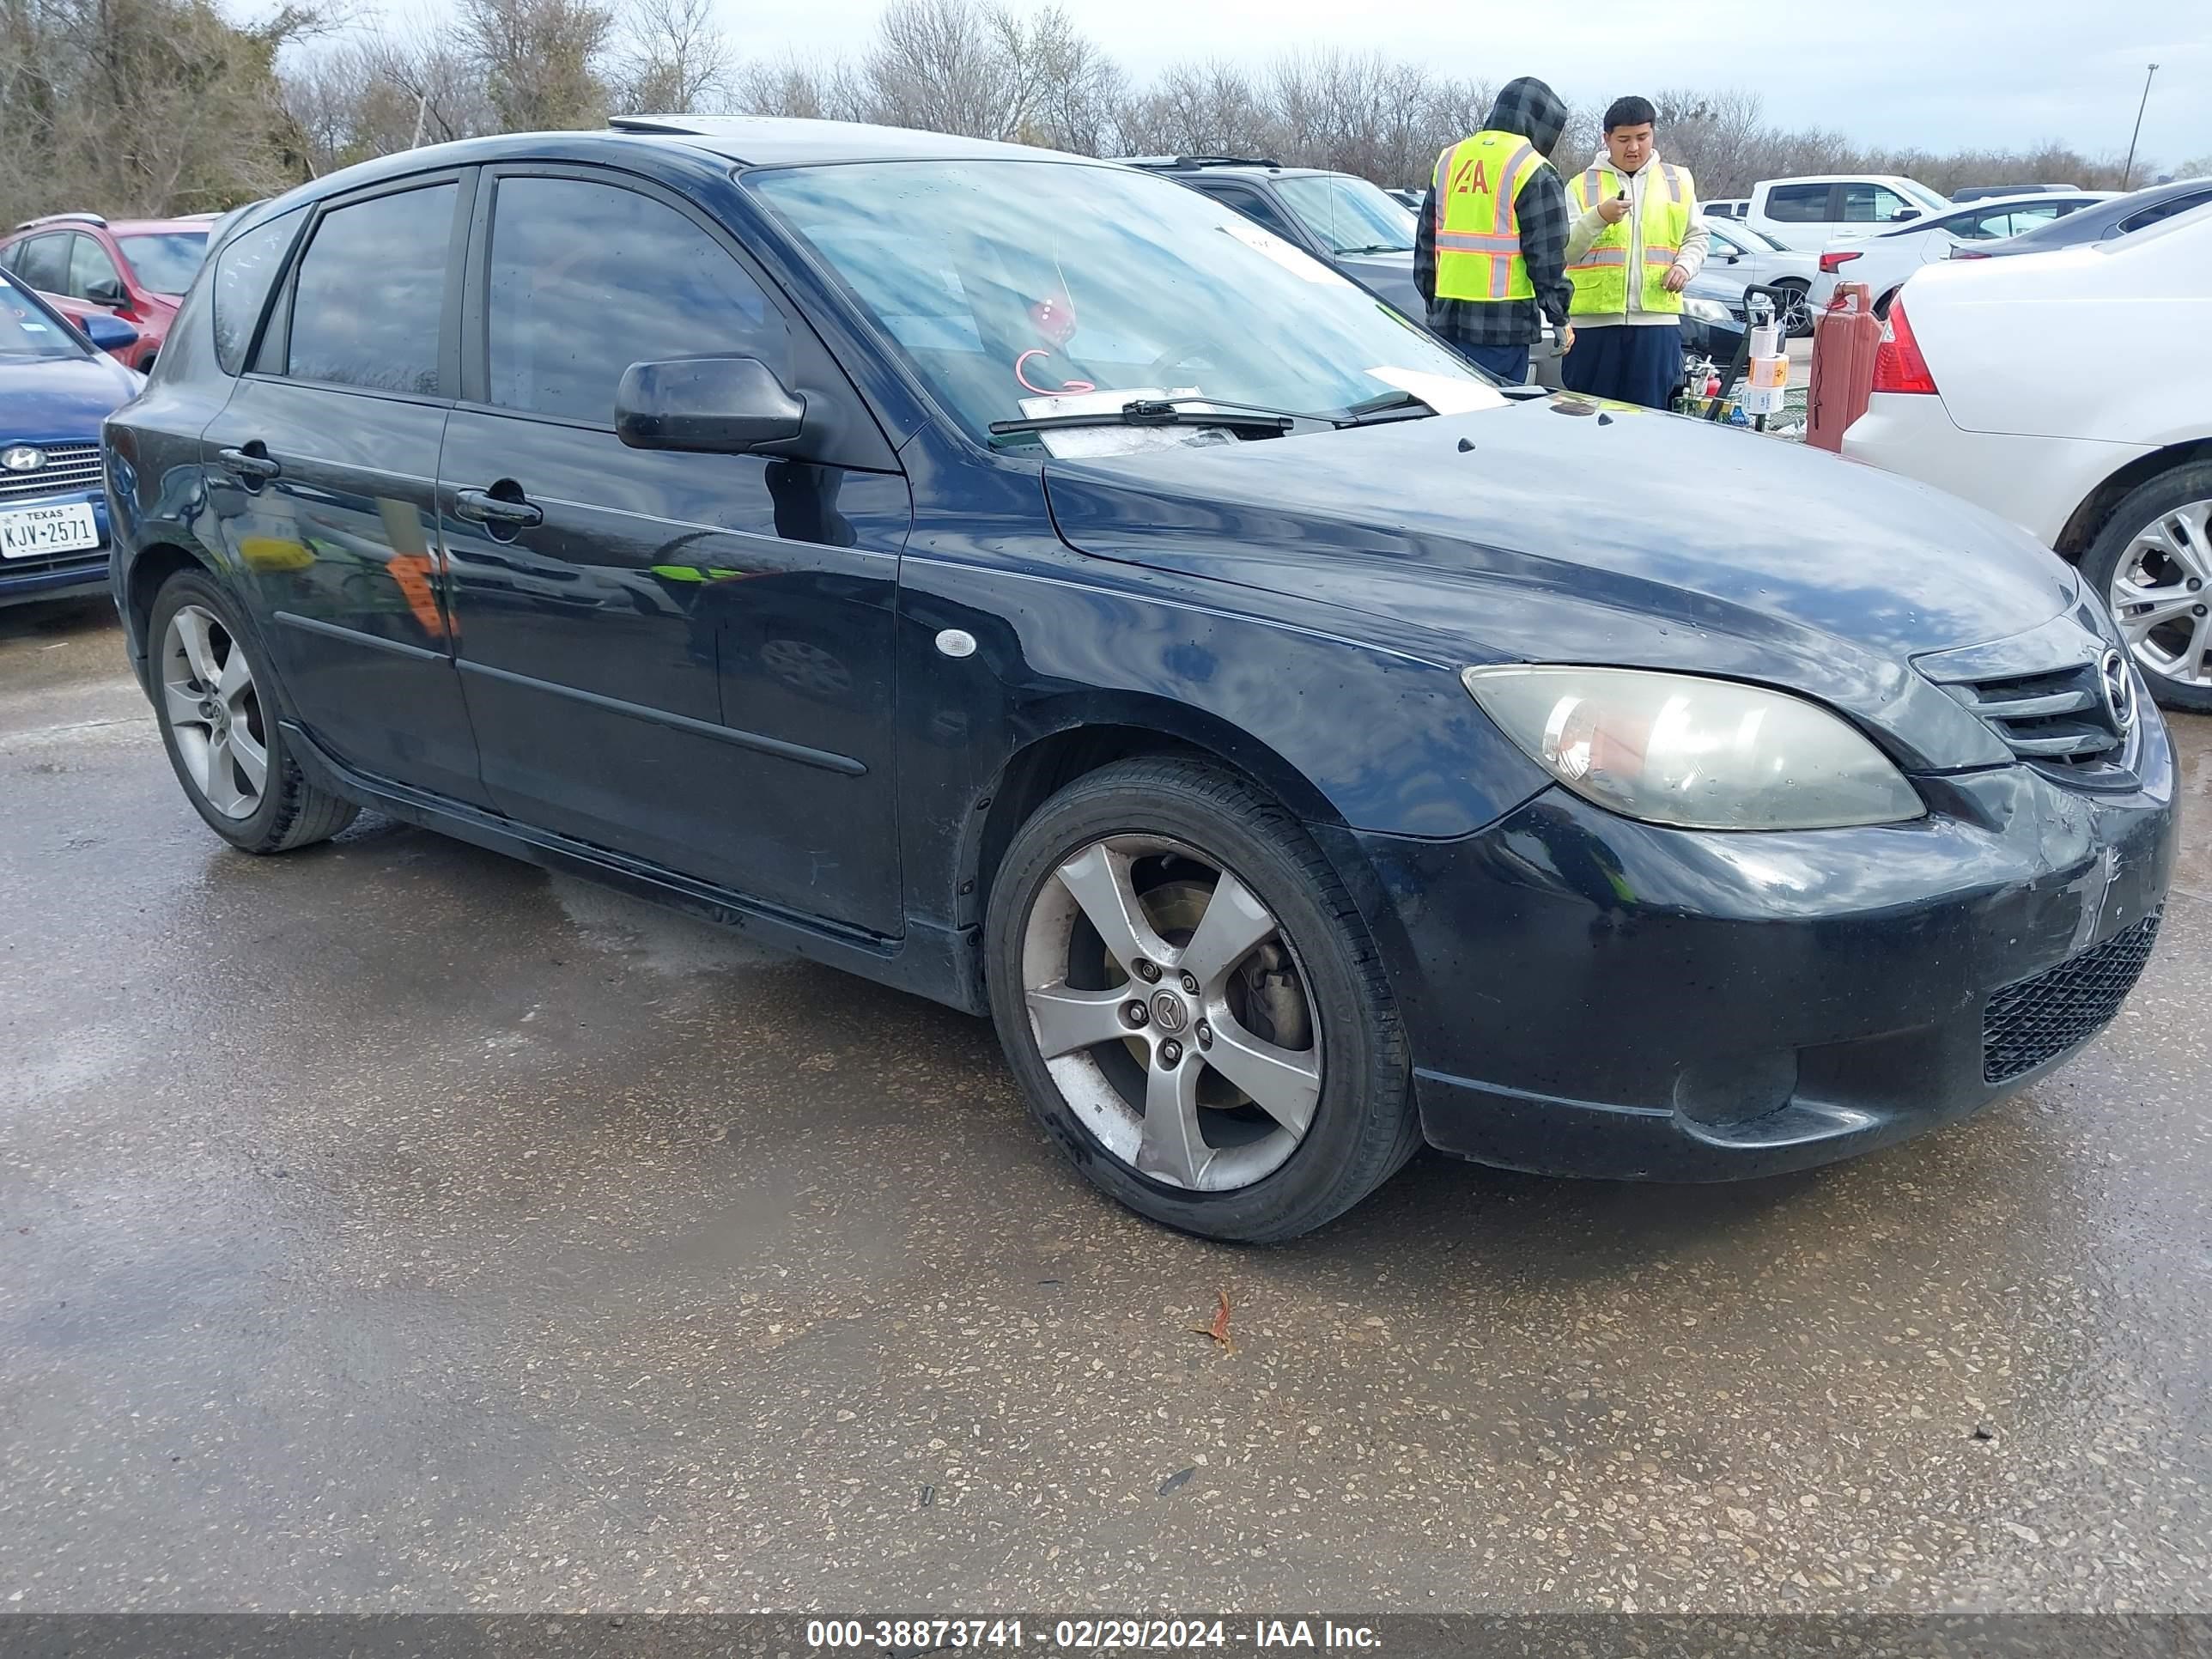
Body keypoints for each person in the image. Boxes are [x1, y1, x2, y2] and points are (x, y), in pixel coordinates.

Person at [1414, 76, 1575, 387]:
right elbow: (1547, 256)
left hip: (1446, 321)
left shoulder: (1450, 158)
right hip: (1504, 328)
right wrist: (1559, 317)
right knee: (1494, 419)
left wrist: (1433, 304)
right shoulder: (1532, 167)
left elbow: (1426, 242)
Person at [1559, 94, 1710, 408]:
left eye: (1642, 137)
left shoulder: (1677, 180)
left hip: (1656, 325)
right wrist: (1598, 217)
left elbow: (1697, 237)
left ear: (1652, 134)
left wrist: (1684, 266)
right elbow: (1566, 251)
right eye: (1624, 139)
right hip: (1592, 328)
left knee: (1648, 421)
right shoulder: (1580, 185)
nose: (1634, 147)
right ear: (1607, 139)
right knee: (1588, 420)